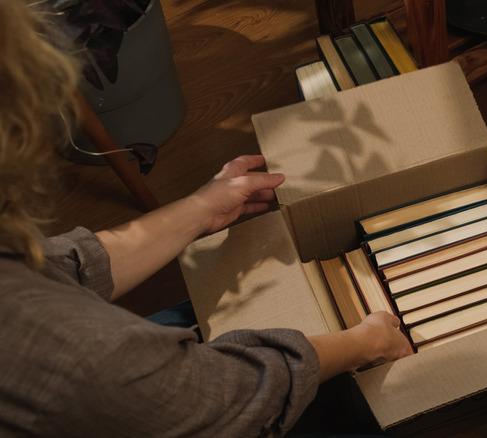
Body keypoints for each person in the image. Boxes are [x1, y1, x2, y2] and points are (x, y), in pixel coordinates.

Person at [0, 1, 412, 436]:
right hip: (180, 399)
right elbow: (232, 396)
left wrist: (199, 209)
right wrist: (364, 342)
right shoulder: (73, 353)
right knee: (356, 404)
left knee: (201, 310)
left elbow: (56, 267)